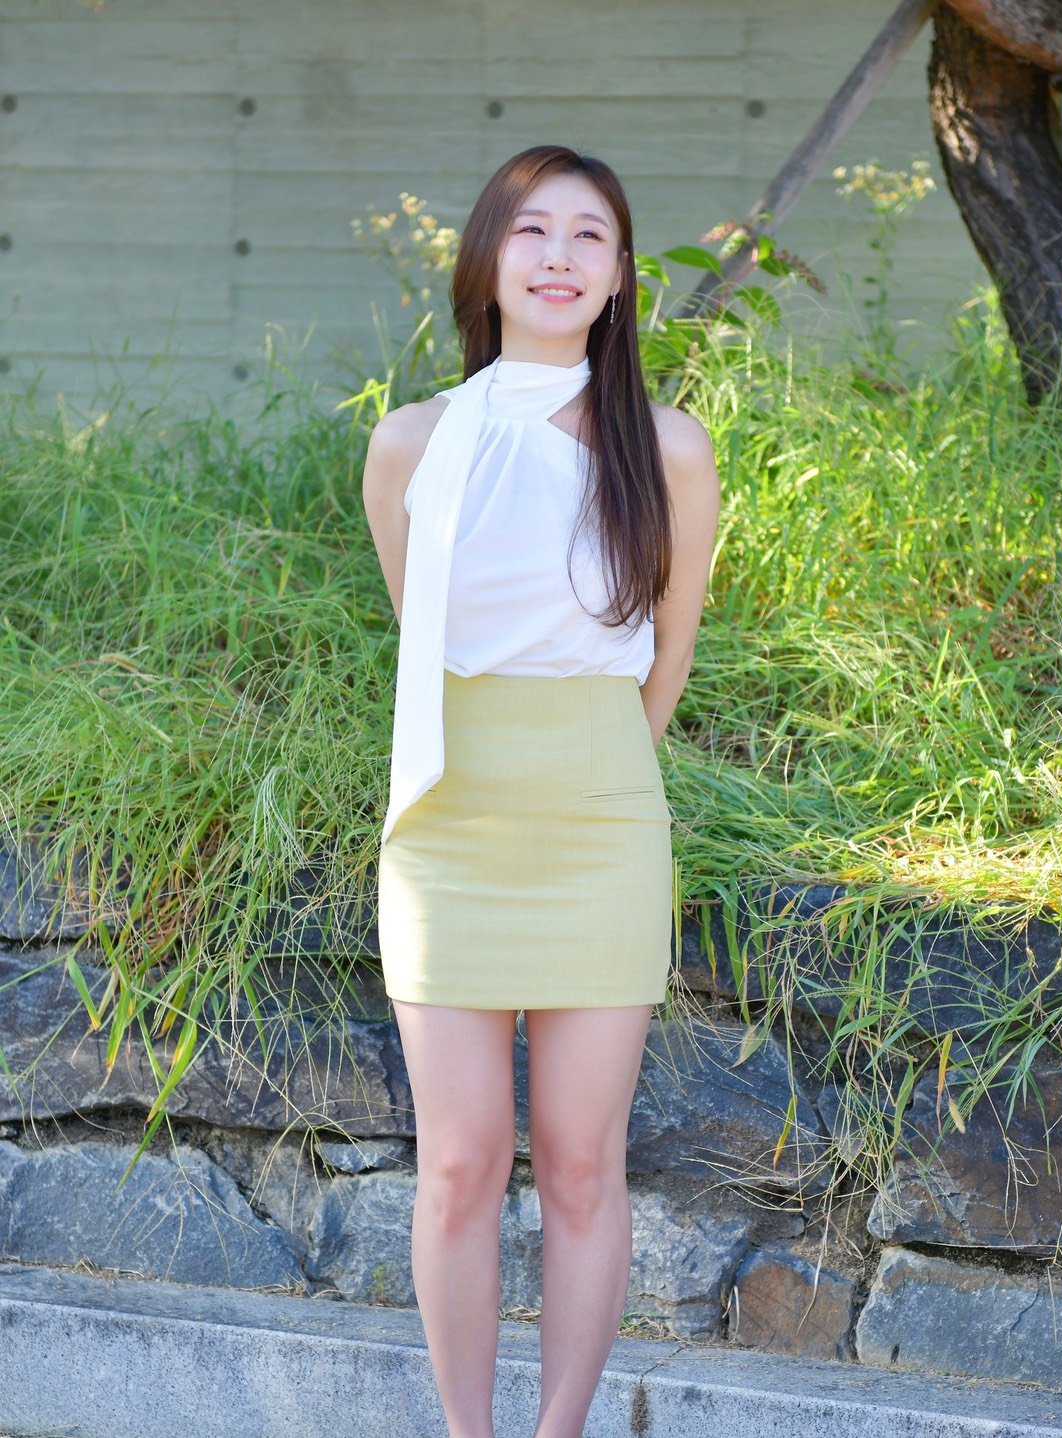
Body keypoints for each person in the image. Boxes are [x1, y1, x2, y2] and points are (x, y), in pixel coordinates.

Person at [361, 143, 720, 1438]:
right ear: (487, 261)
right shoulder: (411, 443)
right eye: (532, 231)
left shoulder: (670, 449)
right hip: (447, 820)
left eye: (589, 236)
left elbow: (667, 657)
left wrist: (596, 769)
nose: (559, 256)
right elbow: (424, 629)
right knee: (459, 1161)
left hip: (602, 821)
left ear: (622, 277)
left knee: (580, 1161)